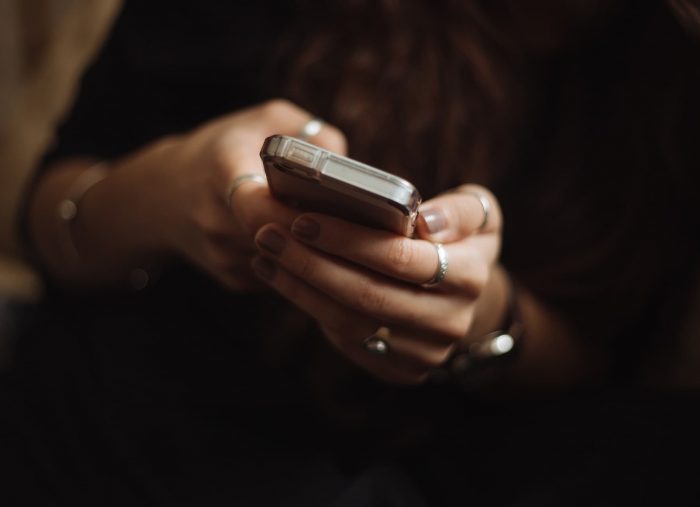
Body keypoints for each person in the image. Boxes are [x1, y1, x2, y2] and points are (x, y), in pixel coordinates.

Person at [4, 1, 700, 505]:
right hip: (104, 425)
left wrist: (487, 320)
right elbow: (41, 222)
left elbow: (616, 383)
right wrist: (170, 188)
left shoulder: (672, 62)